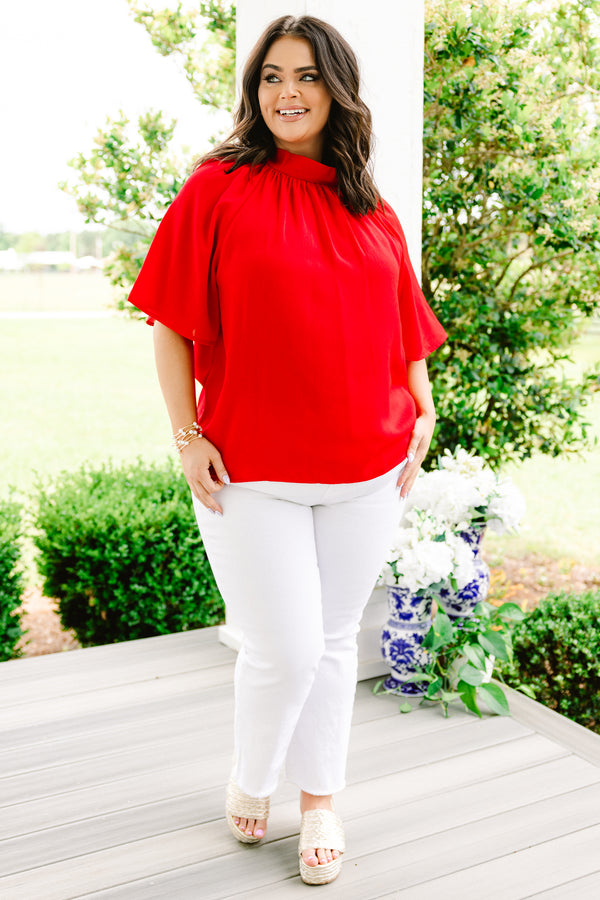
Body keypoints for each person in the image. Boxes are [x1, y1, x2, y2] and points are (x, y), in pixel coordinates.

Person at [129, 14, 446, 886]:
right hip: (252, 469)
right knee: (285, 647)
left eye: (305, 76)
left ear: (336, 89)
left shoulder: (368, 203)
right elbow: (169, 322)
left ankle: (320, 805)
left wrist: (424, 410)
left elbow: (402, 324)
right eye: (271, 76)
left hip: (368, 469)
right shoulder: (218, 187)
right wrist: (186, 435)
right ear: (254, 89)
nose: (286, 93)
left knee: (336, 639)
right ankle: (251, 776)